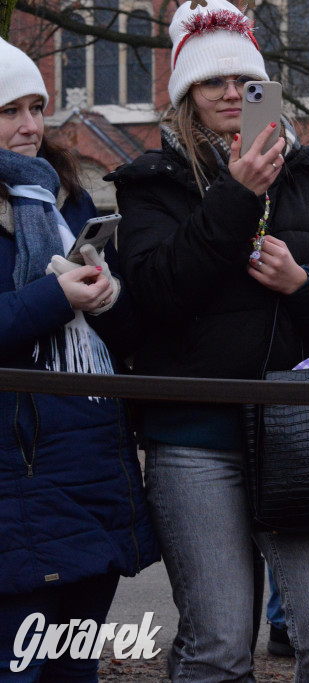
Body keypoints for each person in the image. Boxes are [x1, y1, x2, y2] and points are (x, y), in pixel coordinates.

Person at [105, 0, 309, 679]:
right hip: (195, 440)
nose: (230, 93)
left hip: (298, 437)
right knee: (220, 644)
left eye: (245, 82)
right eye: (211, 82)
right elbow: (158, 293)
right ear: (185, 98)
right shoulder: (150, 186)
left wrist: (300, 282)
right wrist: (235, 193)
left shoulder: (306, 178)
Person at [0, 36, 158, 681]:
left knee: (73, 670)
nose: (31, 126)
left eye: (37, 107)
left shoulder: (66, 199)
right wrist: (51, 298)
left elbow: (122, 334)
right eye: (10, 111)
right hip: (18, 480)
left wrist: (105, 294)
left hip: (90, 471)